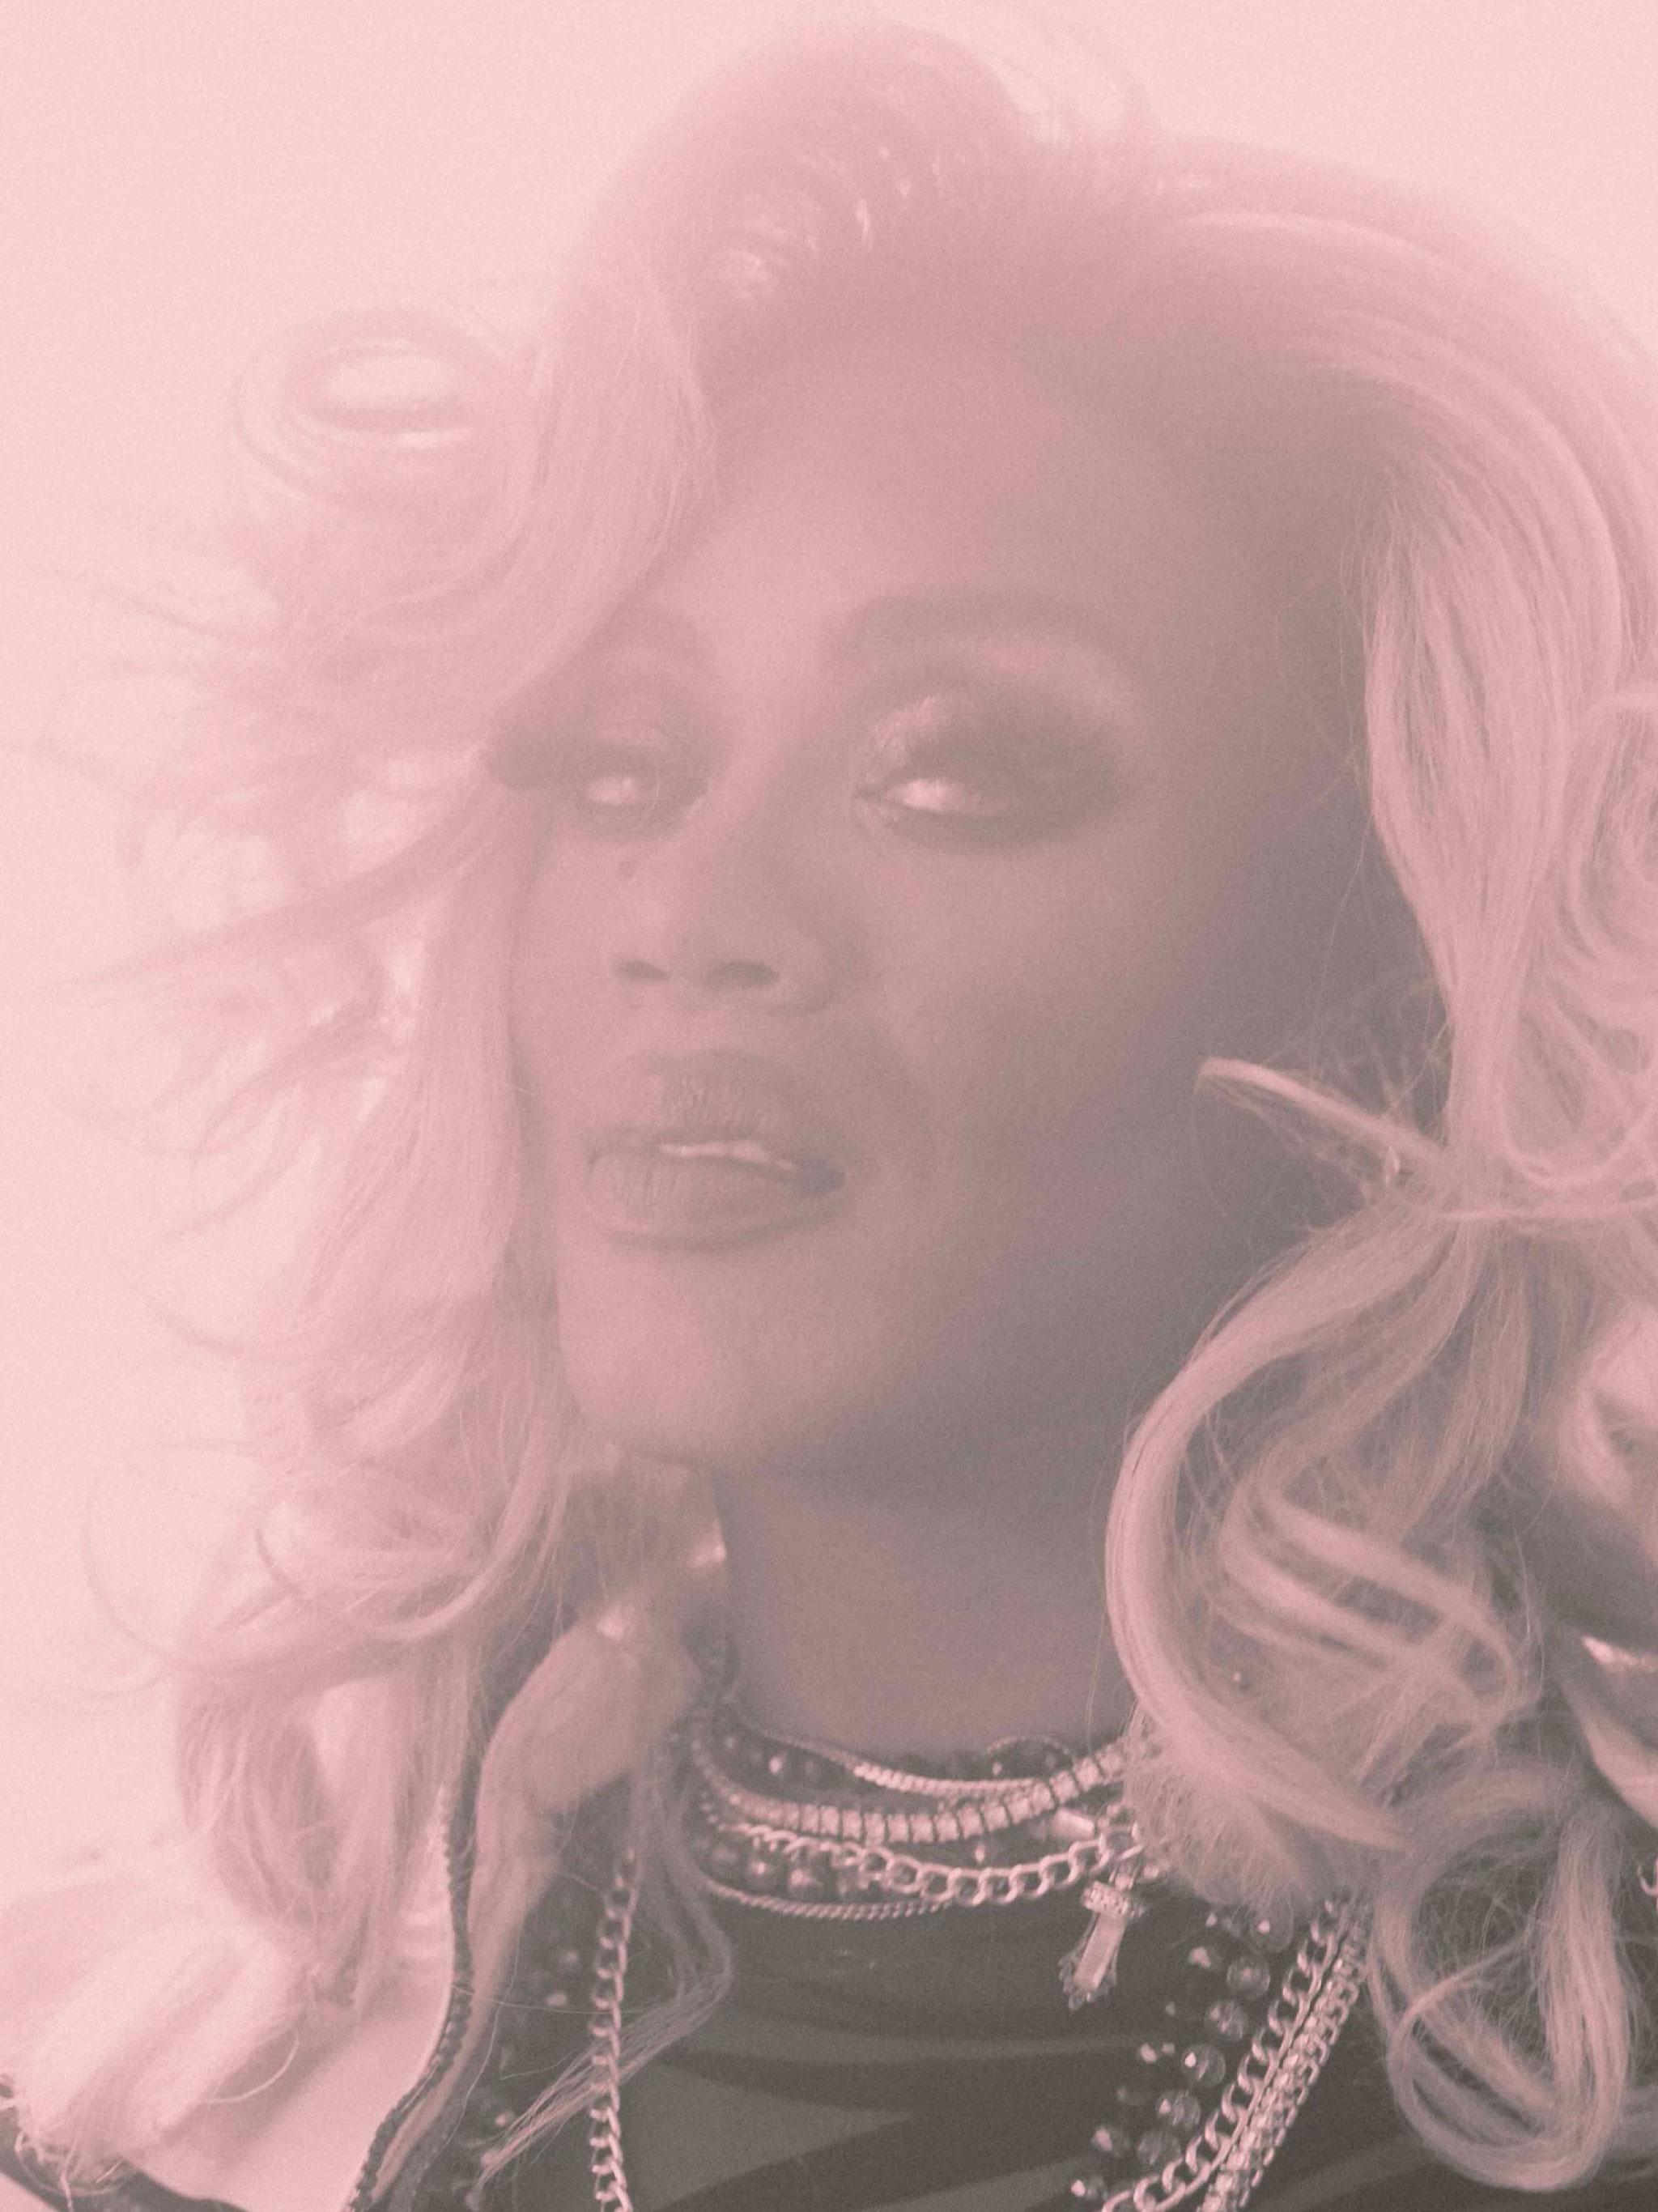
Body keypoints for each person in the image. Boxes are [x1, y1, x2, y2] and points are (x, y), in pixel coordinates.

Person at [5, 7, 1658, 2208]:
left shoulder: (1579, 2094)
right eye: (622, 765)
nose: (692, 916)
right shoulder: (151, 2099)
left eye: (952, 768)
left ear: (1400, 969)